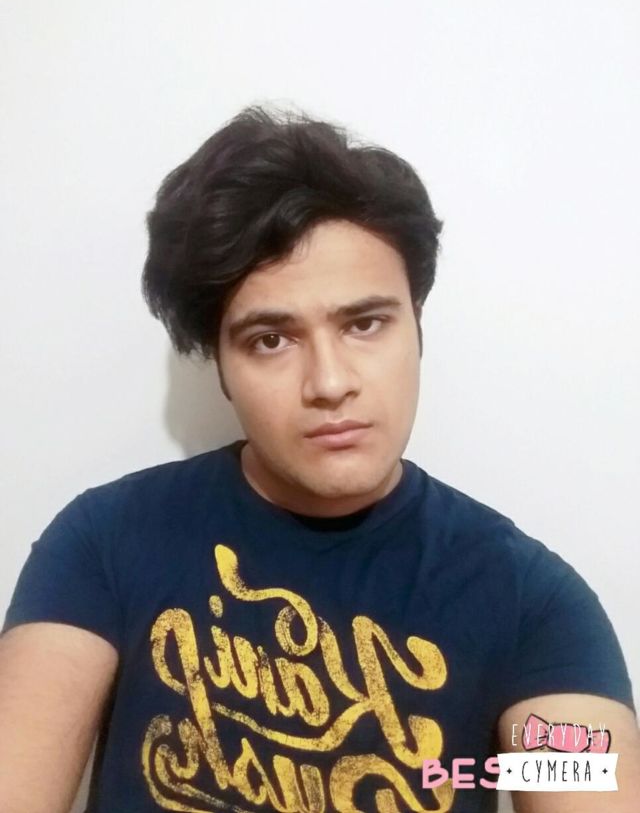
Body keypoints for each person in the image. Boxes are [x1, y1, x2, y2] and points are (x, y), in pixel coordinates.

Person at [1, 104, 638, 813]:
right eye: (271, 340)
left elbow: (586, 783)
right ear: (221, 366)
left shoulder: (531, 601)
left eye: (364, 323)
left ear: (417, 329)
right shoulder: (105, 542)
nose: (330, 382)